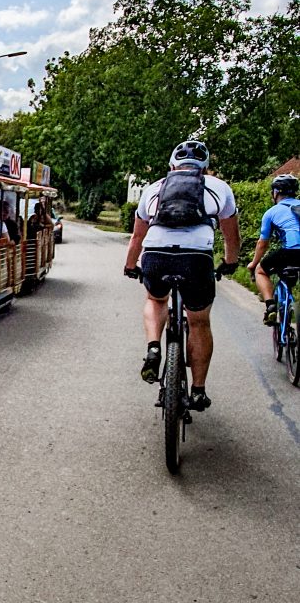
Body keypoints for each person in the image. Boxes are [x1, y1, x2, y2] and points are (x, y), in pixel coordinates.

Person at [123, 140, 240, 411]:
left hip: (156, 254)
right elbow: (230, 234)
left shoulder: (154, 188)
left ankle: (154, 348)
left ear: (172, 165)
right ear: (206, 167)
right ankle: (198, 391)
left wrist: (131, 265)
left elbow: (138, 235)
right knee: (198, 321)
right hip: (196, 257)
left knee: (156, 300)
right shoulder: (219, 187)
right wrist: (230, 261)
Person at [247, 174, 300, 325]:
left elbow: (263, 243)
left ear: (276, 192)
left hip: (289, 252)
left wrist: (253, 263)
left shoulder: (271, 212)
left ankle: (271, 306)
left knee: (261, 271)